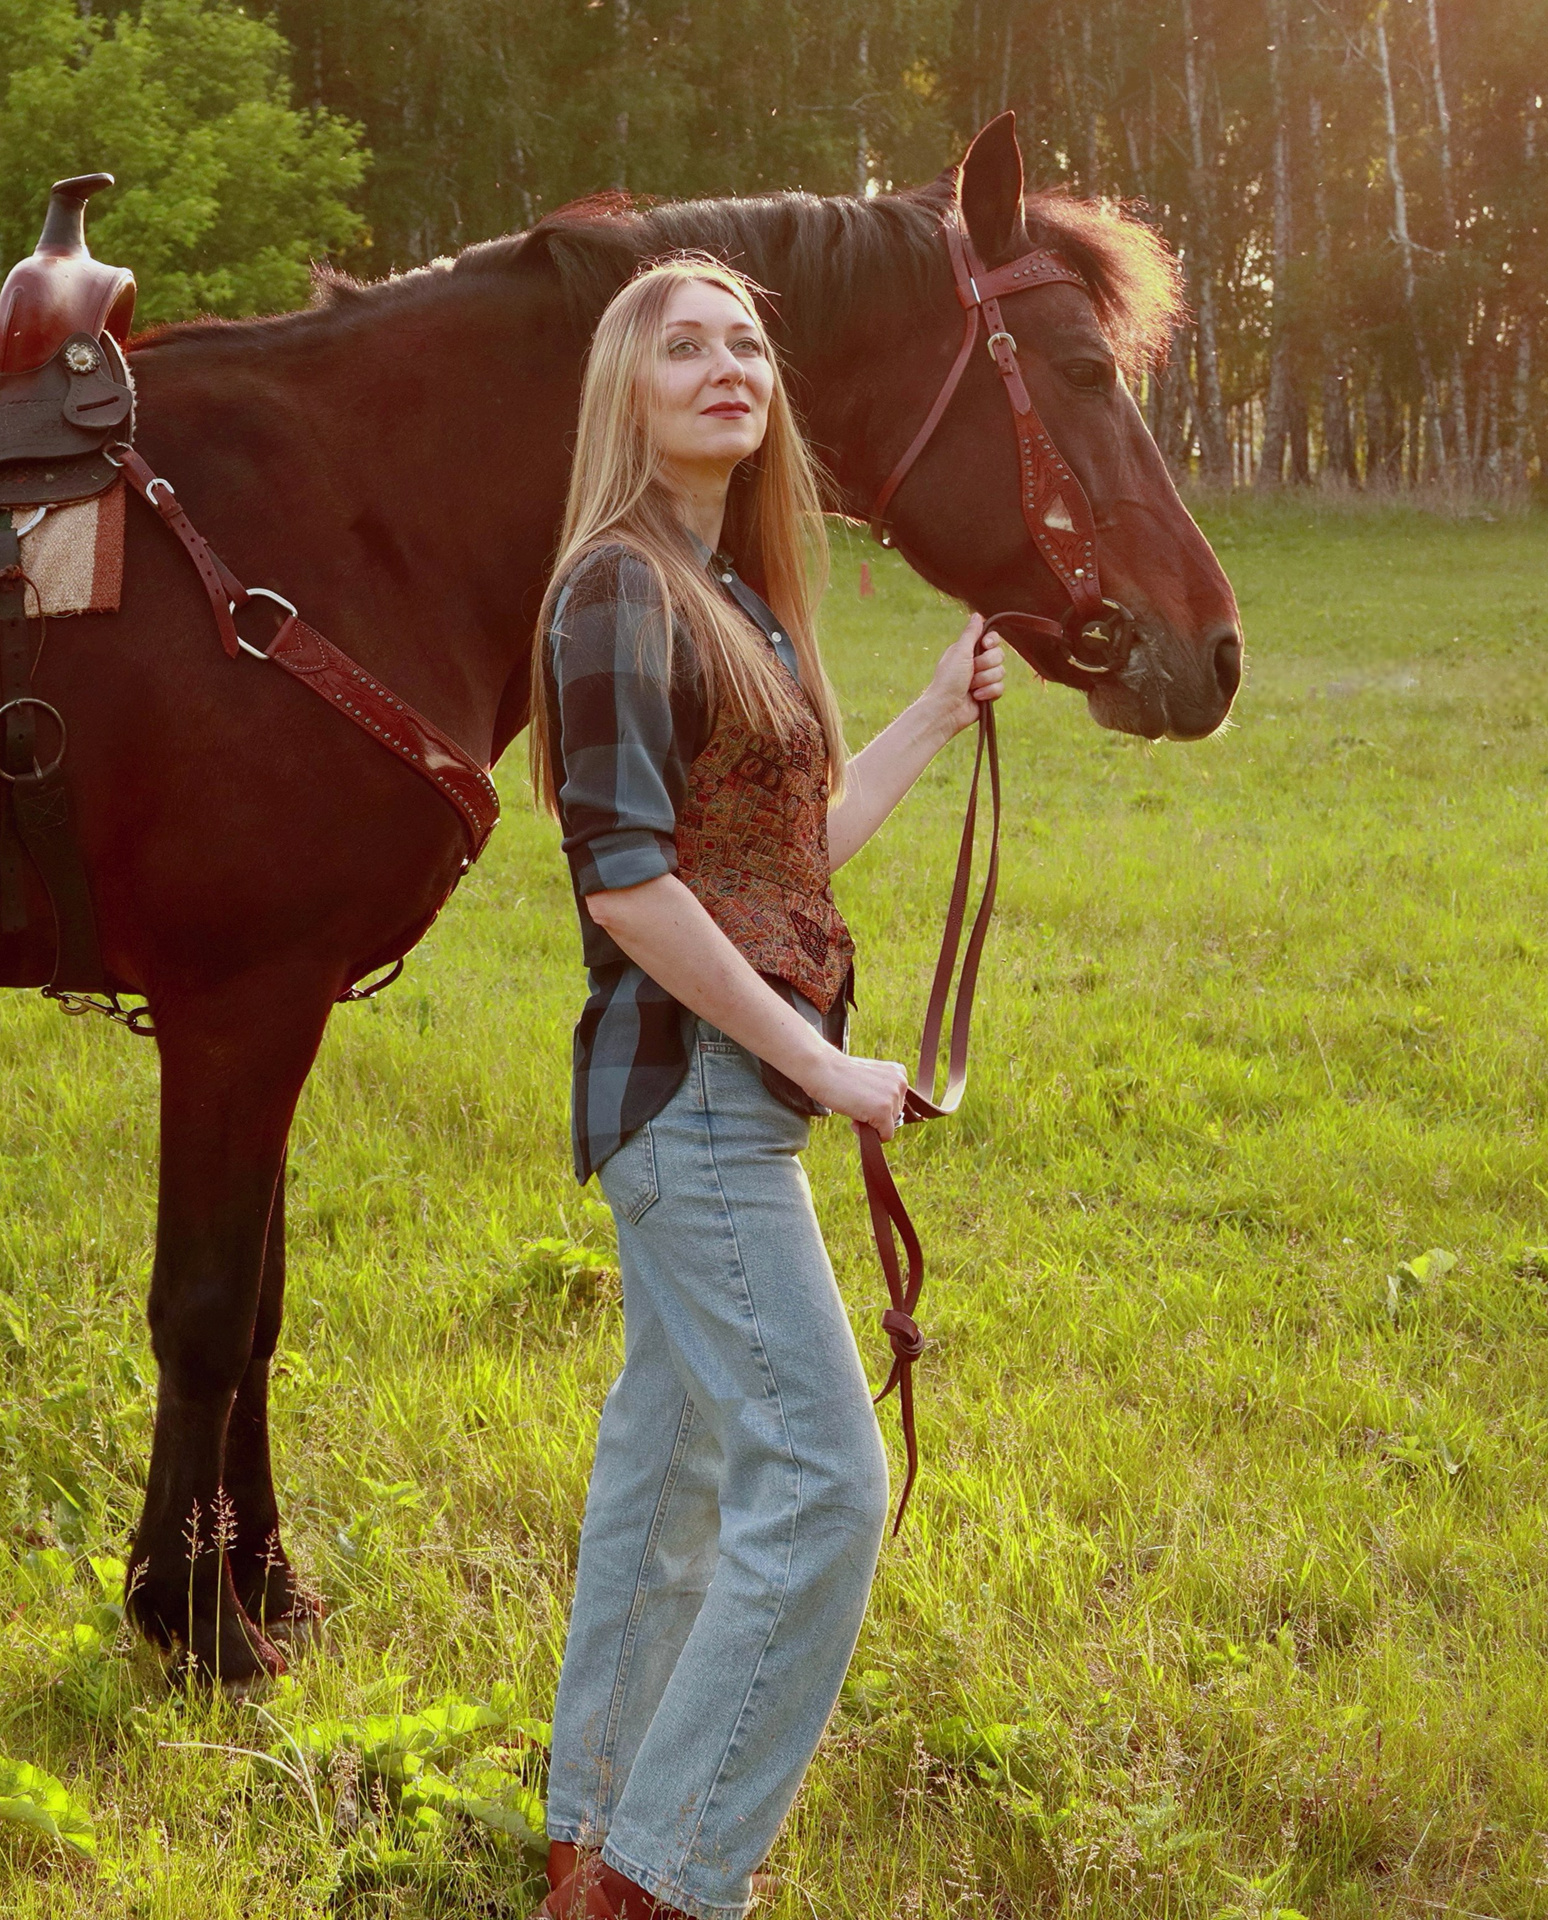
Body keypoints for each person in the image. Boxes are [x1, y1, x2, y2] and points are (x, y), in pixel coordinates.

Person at [531, 254, 1005, 1920]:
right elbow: (630, 885)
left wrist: (936, 715)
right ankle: (661, 1883)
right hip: (696, 1106)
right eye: (685, 345)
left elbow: (782, 863)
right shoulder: (613, 591)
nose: (728, 363)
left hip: (716, 1102)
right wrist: (817, 1059)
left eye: (747, 343)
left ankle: (588, 1835)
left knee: (675, 1482)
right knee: (822, 1485)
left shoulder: (730, 599)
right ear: (629, 393)